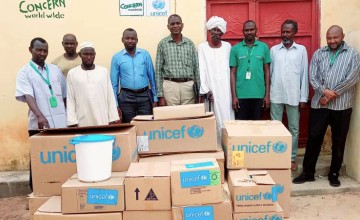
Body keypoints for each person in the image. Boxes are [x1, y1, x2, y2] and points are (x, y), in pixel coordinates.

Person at [293, 25, 360, 187]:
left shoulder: (353, 54)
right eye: (329, 38)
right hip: (319, 105)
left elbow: (352, 78)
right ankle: (308, 173)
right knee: (314, 138)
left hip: (342, 107)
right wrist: (324, 91)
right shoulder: (319, 53)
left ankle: (334, 173)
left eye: (335, 37)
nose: (332, 41)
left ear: (342, 36)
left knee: (338, 140)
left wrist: (330, 95)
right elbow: (312, 76)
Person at [15, 37, 67, 190]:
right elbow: (28, 96)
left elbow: (63, 96)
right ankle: (36, 191)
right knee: (39, 158)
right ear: (30, 50)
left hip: (60, 123)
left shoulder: (55, 70)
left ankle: (58, 187)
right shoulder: (24, 72)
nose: (42, 53)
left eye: (45, 50)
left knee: (59, 157)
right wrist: (39, 115)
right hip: (39, 124)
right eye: (39, 50)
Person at [270, 20, 309, 171]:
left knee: (294, 128)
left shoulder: (301, 50)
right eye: (283, 31)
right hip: (276, 94)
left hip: (294, 95)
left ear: (294, 33)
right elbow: (270, 73)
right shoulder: (273, 50)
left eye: (288, 32)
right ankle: (276, 157)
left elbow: (304, 74)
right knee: (275, 127)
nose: (285, 34)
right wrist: (268, 95)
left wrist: (303, 97)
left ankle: (291, 158)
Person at [198, 16, 235, 141]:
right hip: (211, 91)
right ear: (209, 31)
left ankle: (227, 146)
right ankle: (215, 149)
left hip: (225, 91)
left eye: (219, 30)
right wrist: (206, 90)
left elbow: (231, 70)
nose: (216, 33)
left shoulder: (228, 47)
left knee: (226, 116)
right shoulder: (202, 48)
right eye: (213, 30)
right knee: (212, 119)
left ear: (222, 32)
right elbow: (201, 70)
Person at [66, 41, 119, 127]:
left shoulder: (103, 72)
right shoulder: (72, 73)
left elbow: (110, 97)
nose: (89, 57)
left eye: (91, 54)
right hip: (81, 120)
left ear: (95, 54)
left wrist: (112, 118)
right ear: (80, 55)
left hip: (102, 118)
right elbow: (70, 99)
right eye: (85, 54)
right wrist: (72, 121)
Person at [110, 28, 158, 123]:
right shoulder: (117, 58)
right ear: (122, 39)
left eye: (133, 38)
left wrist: (155, 98)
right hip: (126, 97)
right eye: (127, 38)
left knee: (146, 125)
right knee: (129, 125)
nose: (130, 41)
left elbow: (152, 78)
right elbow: (114, 84)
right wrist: (115, 104)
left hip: (144, 96)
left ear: (137, 40)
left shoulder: (145, 54)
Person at [155, 14, 201, 106]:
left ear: (182, 25)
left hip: (188, 86)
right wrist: (160, 95)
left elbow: (196, 68)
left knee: (188, 116)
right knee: (172, 117)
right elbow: (158, 71)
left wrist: (199, 91)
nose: (175, 26)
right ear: (168, 27)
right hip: (170, 86)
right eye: (172, 24)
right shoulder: (162, 44)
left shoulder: (190, 44)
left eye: (178, 23)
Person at [230, 20, 271, 120]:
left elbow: (267, 72)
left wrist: (267, 96)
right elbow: (232, 73)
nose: (249, 32)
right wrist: (234, 96)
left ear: (256, 30)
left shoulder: (264, 47)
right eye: (246, 30)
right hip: (241, 96)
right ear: (243, 31)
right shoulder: (235, 49)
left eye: (251, 30)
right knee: (242, 128)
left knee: (257, 127)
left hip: (259, 95)